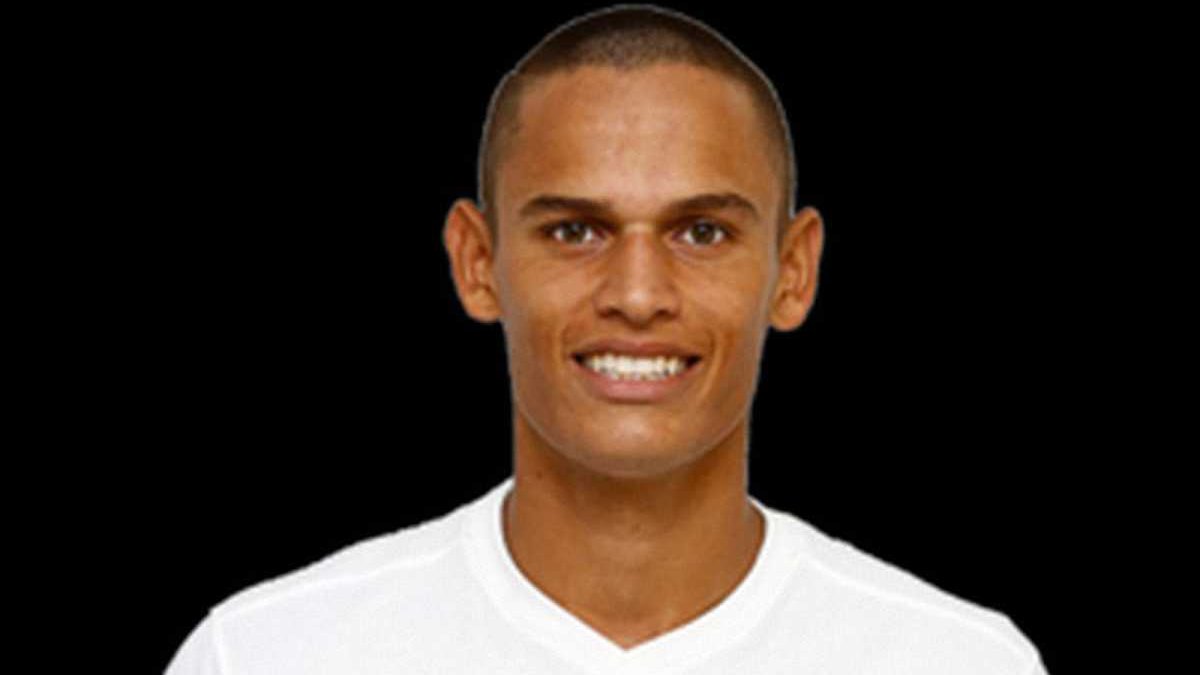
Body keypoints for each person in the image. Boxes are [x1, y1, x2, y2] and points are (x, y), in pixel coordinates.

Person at [165, 5, 1048, 673]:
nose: (637, 295)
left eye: (701, 231)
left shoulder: (960, 663)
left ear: (792, 270)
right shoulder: (268, 655)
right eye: (574, 230)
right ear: (478, 262)